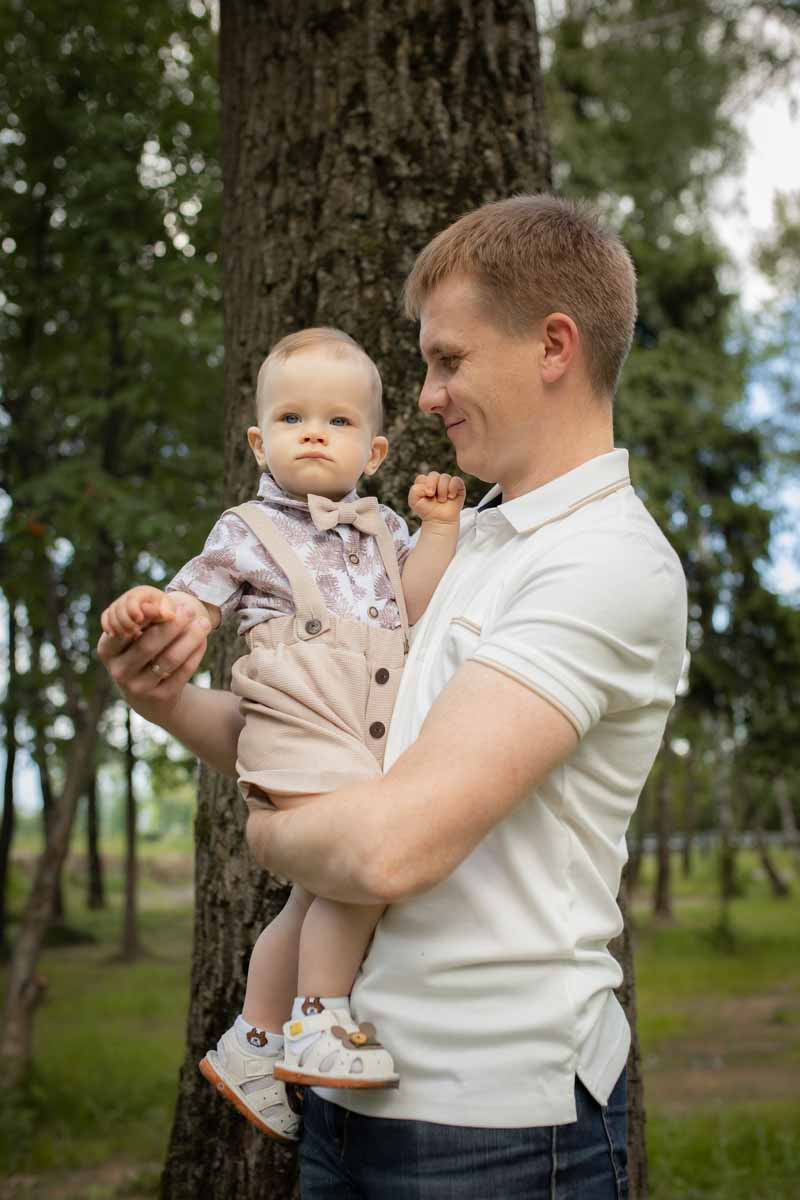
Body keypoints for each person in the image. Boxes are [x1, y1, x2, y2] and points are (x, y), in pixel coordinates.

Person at [98, 194, 688, 1198]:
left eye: (447, 361)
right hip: (345, 1094)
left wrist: (270, 833)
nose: (423, 396)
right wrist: (162, 699)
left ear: (554, 345)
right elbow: (332, 747)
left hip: (488, 1127)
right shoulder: (451, 550)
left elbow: (384, 847)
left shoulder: (603, 564)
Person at [99, 327, 465, 1142]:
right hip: (296, 724)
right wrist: (154, 613)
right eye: (293, 416)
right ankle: (320, 1018)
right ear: (261, 439)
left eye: (337, 422)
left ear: (372, 451)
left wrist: (437, 532)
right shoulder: (245, 530)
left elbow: (415, 604)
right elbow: (195, 601)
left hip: (364, 731)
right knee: (360, 874)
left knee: (312, 897)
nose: (313, 432)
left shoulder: (381, 533)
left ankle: (253, 1041)